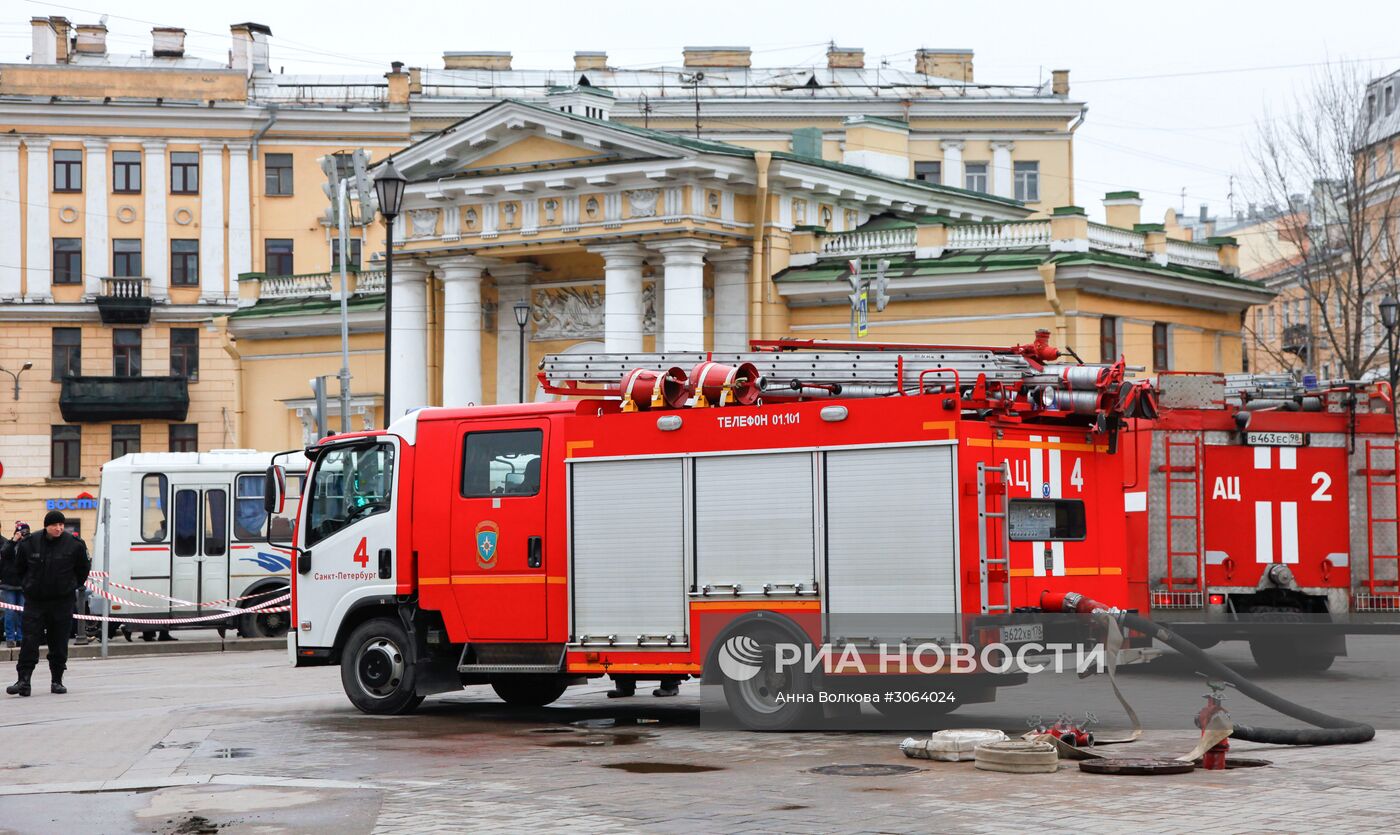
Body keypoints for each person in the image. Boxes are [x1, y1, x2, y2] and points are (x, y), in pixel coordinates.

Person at [6, 511, 90, 697]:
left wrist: (71, 586)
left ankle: (57, 680)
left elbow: (83, 569)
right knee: (29, 640)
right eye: (55, 525)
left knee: (59, 641)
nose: (59, 528)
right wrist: (29, 586)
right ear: (46, 526)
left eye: (61, 525)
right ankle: (24, 681)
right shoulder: (30, 543)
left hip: (62, 601)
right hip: (36, 601)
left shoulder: (73, 544)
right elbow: (20, 568)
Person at [0, 522, 29, 648]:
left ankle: (21, 637)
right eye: (20, 532)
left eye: (25, 532)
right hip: (9, 584)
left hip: (23, 585)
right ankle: (10, 638)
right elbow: (4, 553)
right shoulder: (9, 543)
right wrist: (14, 540)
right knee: (10, 612)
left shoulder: (29, 545)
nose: (23, 535)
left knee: (23, 612)